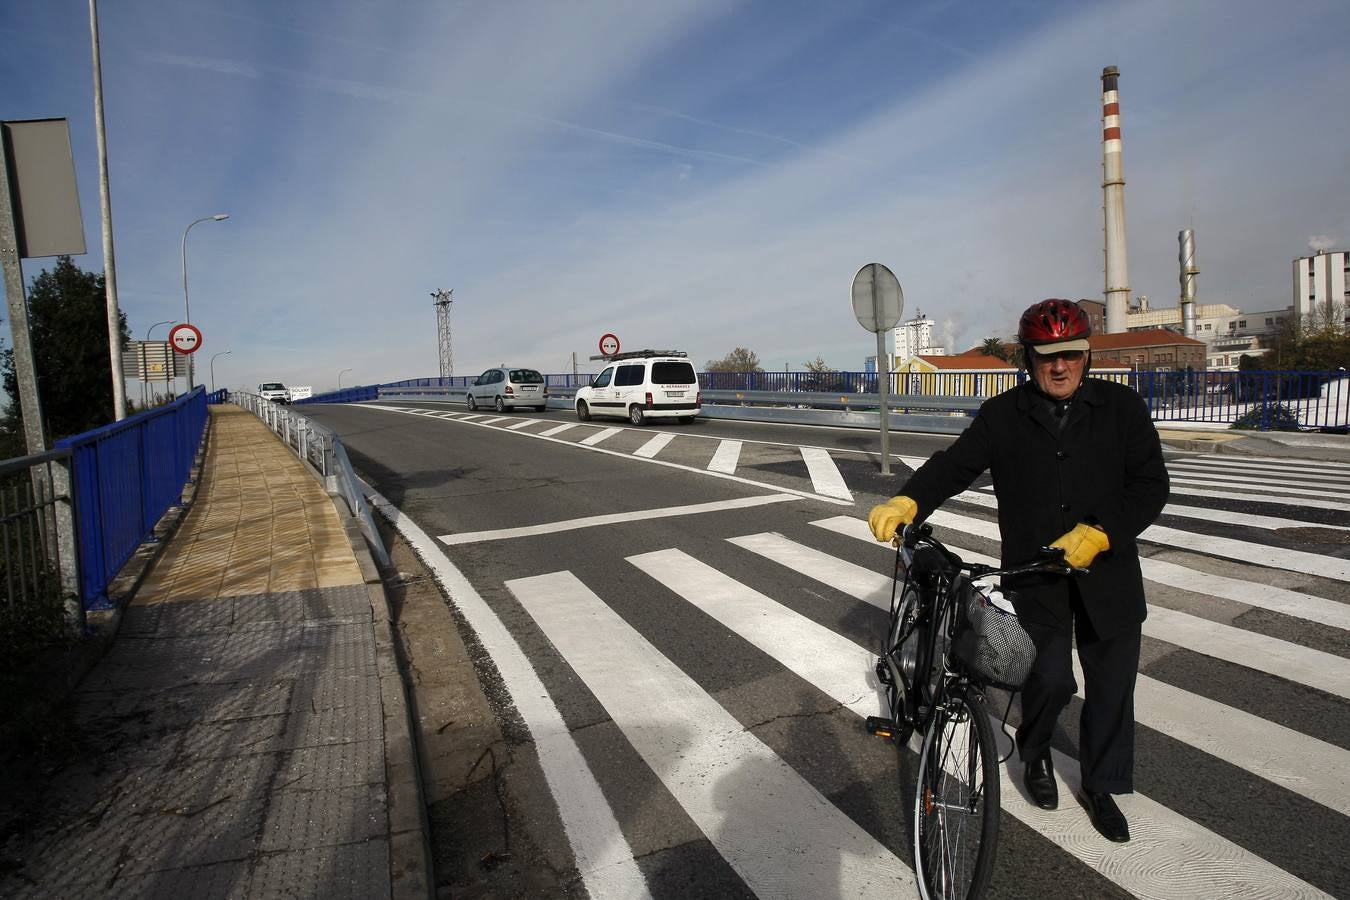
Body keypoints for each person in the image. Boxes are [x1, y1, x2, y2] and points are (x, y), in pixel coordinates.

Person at [867, 298, 1168, 843]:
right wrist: (909, 501)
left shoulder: (1122, 408)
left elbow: (1150, 485)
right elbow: (955, 465)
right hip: (1037, 574)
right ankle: (1034, 753)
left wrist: (1100, 531)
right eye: (1047, 357)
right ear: (1028, 359)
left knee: (1111, 687)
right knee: (1049, 678)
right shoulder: (1004, 415)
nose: (1059, 367)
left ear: (1086, 356)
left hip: (1110, 572)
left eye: (1071, 355)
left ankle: (1100, 786)